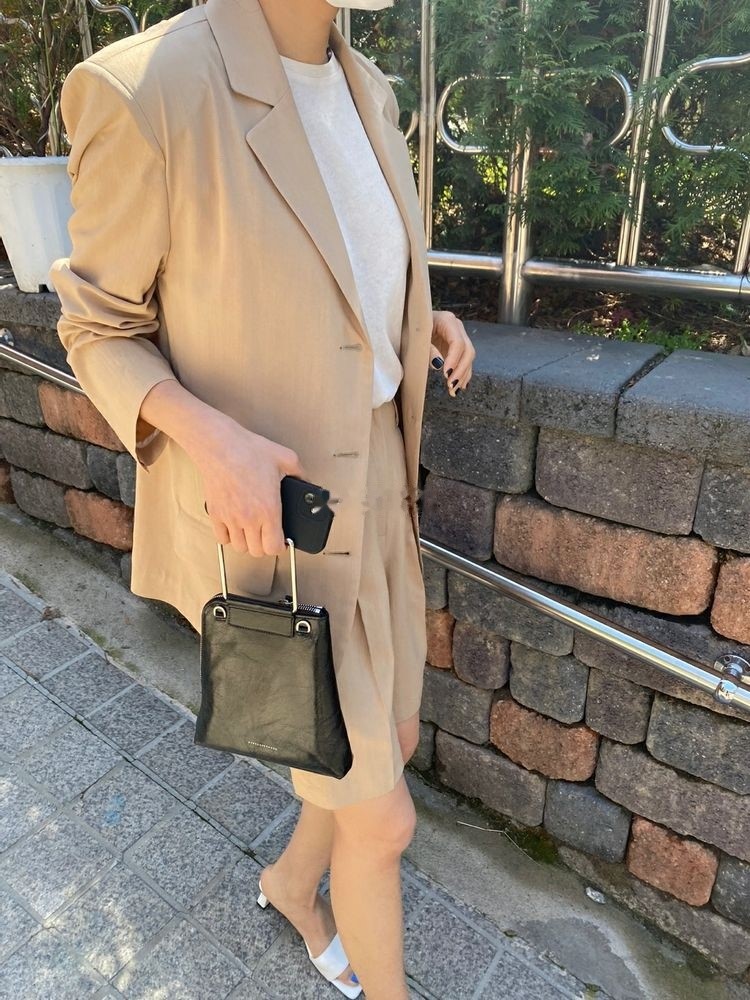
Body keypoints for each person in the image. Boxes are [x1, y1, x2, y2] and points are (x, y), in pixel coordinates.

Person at [48, 0, 475, 996]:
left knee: (391, 741)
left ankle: (289, 882)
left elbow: (329, 270)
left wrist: (417, 316)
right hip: (278, 519)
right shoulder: (147, 87)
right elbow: (97, 328)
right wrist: (212, 439)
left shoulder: (370, 89)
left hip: (381, 484)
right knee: (382, 819)